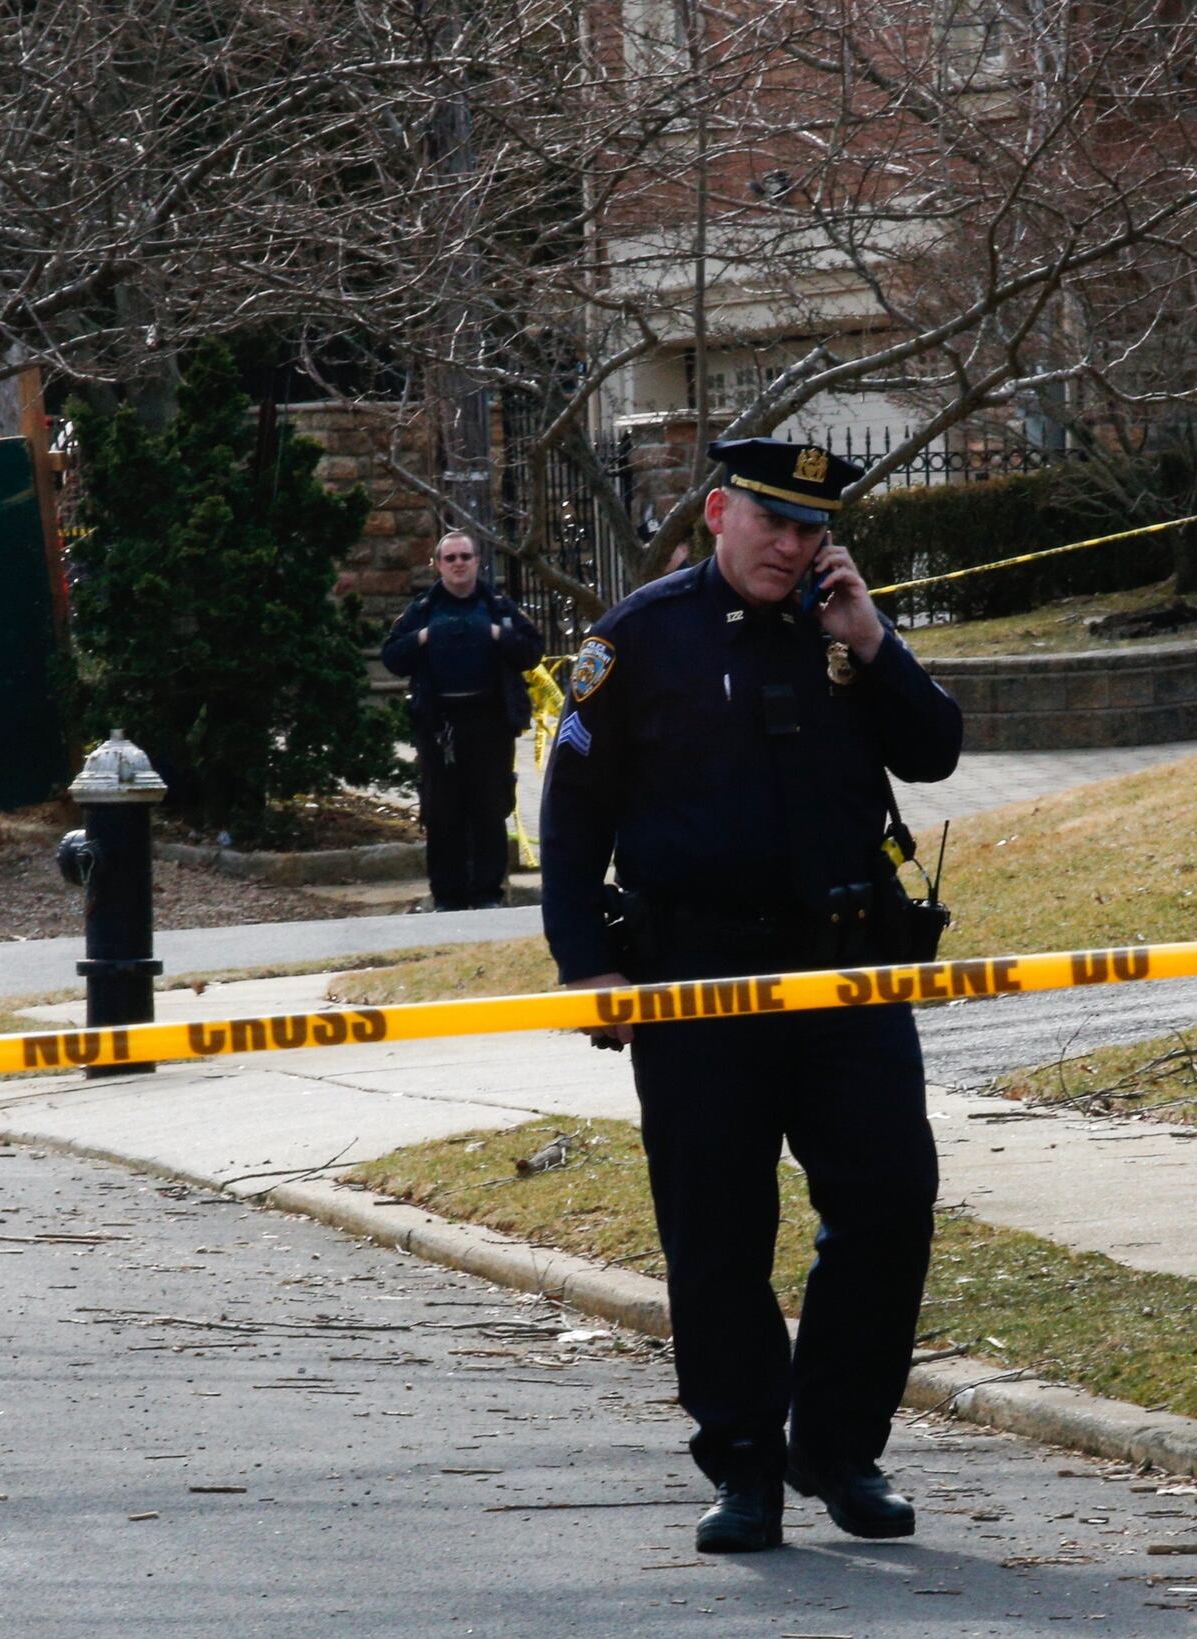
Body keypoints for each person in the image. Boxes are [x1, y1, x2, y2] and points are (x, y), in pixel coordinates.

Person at [538, 438, 962, 1554]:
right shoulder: (639, 637)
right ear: (717, 513)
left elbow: (934, 753)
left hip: (846, 970)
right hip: (696, 979)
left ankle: (837, 1449)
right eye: (773, 522)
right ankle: (744, 1466)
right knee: (717, 1229)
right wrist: (585, 966)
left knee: (887, 1200)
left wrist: (872, 642)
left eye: (812, 528)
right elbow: (572, 816)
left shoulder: (844, 632)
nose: (793, 544)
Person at [382, 532, 545, 911]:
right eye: (450, 557)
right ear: (438, 565)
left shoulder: (498, 607)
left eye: (465, 556)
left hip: (490, 724)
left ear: (477, 562)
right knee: (442, 813)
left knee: (490, 810)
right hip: (439, 727)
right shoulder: (422, 610)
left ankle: (488, 894)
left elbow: (532, 650)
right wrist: (423, 637)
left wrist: (496, 634)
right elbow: (392, 656)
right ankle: (448, 897)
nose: (458, 563)